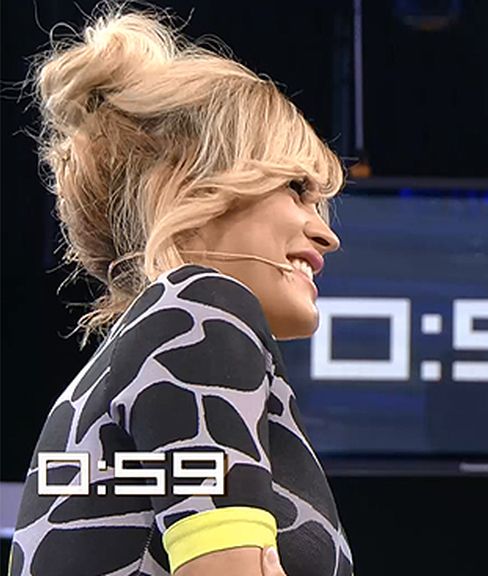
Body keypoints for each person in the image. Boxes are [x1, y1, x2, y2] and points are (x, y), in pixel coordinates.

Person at [11, 8, 352, 576]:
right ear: (189, 182)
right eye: (296, 189)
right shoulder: (200, 310)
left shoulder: (149, 346)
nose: (326, 233)